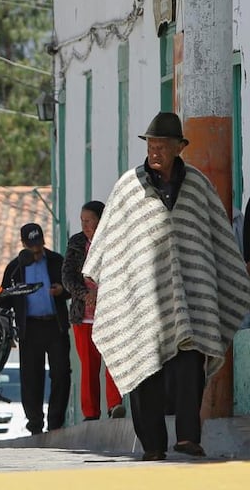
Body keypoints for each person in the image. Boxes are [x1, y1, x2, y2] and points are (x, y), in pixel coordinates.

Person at [84, 112, 250, 461]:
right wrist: (100, 281)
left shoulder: (198, 185)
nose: (156, 151)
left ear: (179, 148)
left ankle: (189, 436)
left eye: (163, 145)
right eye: (152, 145)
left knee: (191, 361)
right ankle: (153, 445)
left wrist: (230, 278)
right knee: (143, 368)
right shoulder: (129, 186)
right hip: (141, 301)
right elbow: (110, 238)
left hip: (191, 296)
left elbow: (216, 237)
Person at [2, 223, 71, 435]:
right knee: (31, 377)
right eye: (32, 246)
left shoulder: (56, 261)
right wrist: (8, 331)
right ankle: (35, 424)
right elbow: (4, 299)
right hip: (29, 328)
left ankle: (55, 422)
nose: (36, 250)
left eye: (39, 244)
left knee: (61, 373)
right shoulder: (15, 268)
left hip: (55, 325)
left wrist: (62, 291)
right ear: (23, 244)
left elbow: (70, 287)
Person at [61, 201, 123, 421]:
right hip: (84, 315)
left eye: (89, 220)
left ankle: (115, 404)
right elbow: (68, 276)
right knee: (89, 365)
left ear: (101, 219)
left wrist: (103, 294)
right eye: (82, 221)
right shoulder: (77, 243)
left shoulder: (115, 240)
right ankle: (90, 412)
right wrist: (85, 294)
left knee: (114, 360)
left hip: (110, 312)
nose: (85, 225)